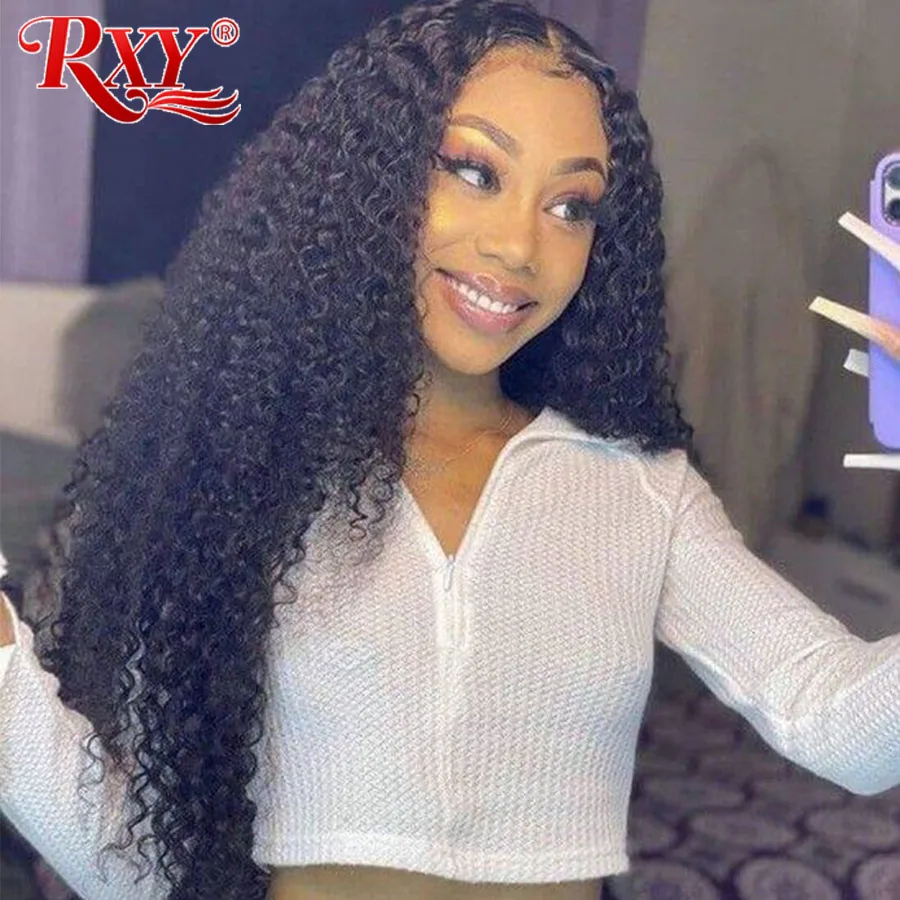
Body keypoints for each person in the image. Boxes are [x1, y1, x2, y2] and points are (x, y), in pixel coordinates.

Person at [1, 1, 898, 899]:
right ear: (371, 177)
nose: (518, 246)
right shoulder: (239, 472)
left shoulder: (641, 489)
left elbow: (841, 725)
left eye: (571, 205)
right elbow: (136, 868)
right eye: (475, 171)